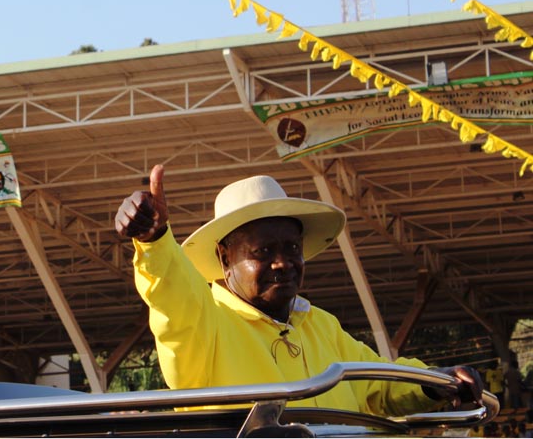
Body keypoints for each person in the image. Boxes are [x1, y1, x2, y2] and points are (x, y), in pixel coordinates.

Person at [114, 166, 484, 416]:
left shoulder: (321, 326)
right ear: (224, 257)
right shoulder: (204, 323)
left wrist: (436, 382)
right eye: (262, 252)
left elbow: (379, 385)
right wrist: (155, 240)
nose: (282, 263)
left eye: (292, 248)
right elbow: (172, 297)